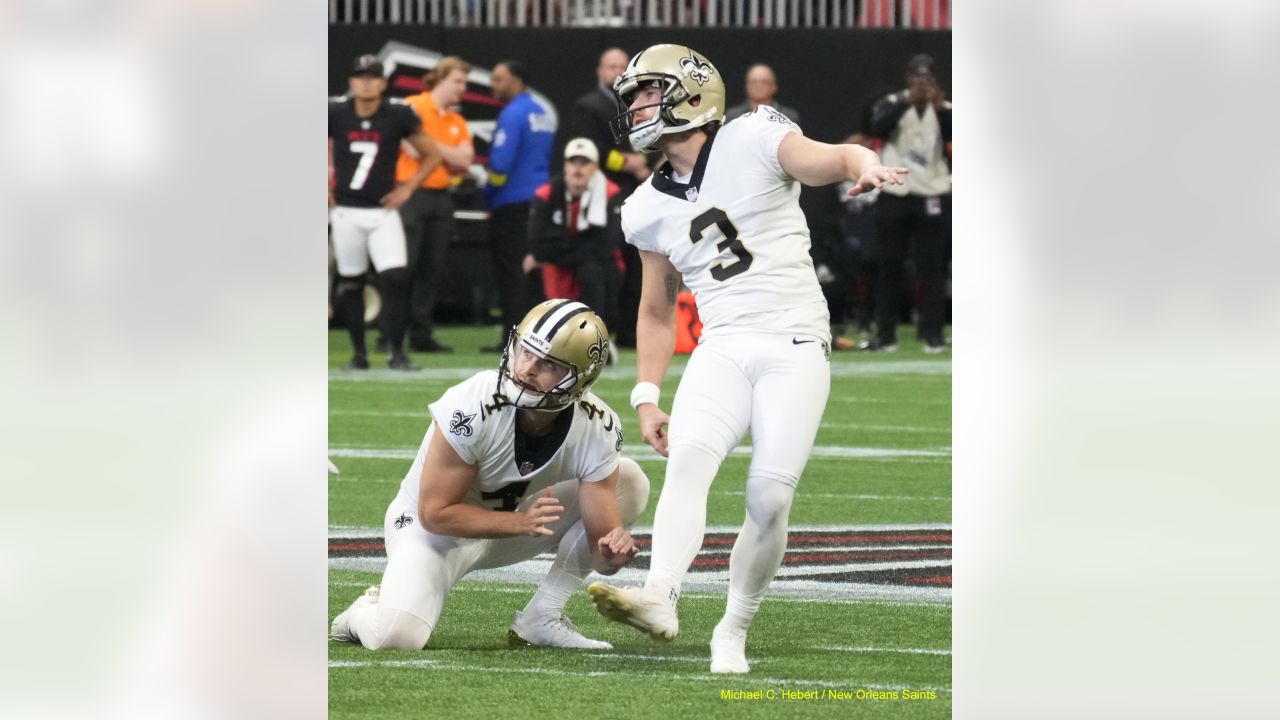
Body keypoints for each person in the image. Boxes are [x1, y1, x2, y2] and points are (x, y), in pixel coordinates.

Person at [583, 44, 906, 674]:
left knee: (768, 498)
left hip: (793, 341)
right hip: (723, 344)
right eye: (633, 97)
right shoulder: (644, 206)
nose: (637, 106)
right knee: (689, 464)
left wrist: (862, 162)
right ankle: (660, 595)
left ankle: (733, 628)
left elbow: (830, 158)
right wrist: (646, 395)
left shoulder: (755, 132)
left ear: (691, 92)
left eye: (648, 92)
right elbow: (654, 309)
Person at [330, 299, 650, 651]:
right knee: (397, 638)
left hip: (514, 525)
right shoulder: (473, 403)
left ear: (580, 378)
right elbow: (434, 512)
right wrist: (519, 523)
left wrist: (613, 555)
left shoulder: (597, 427)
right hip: (433, 532)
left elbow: (600, 551)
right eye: (525, 352)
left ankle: (542, 617)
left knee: (631, 481)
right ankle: (362, 613)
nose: (527, 368)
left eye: (547, 364)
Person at [329, 54, 443, 370]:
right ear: (352, 81)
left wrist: (407, 188)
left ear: (382, 82)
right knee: (352, 282)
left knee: (395, 278)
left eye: (372, 76)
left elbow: (431, 155)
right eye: (360, 75)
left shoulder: (397, 115)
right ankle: (359, 355)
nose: (366, 82)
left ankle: (396, 352)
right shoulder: (336, 113)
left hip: (381, 211)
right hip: (347, 211)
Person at [377, 56, 475, 355]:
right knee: (400, 268)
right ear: (439, 79)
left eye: (464, 83)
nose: (462, 88)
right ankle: (389, 333)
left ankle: (421, 332)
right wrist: (446, 152)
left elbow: (466, 160)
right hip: (411, 193)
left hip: (441, 196)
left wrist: (430, 147)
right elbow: (408, 146)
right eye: (457, 81)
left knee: (431, 269)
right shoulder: (413, 107)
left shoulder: (456, 120)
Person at [567, 48, 652, 349]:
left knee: (640, 262)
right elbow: (590, 151)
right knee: (606, 264)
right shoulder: (588, 106)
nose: (616, 71)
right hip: (604, 194)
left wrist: (648, 165)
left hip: (641, 192)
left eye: (622, 66)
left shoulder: (641, 103)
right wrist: (630, 163)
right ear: (599, 71)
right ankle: (603, 328)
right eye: (611, 66)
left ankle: (631, 330)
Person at [866, 54, 952, 353]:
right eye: (917, 79)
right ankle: (886, 333)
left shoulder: (945, 110)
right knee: (889, 266)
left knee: (932, 268)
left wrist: (939, 108)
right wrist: (906, 103)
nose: (922, 85)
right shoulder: (892, 102)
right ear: (908, 80)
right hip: (896, 192)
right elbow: (877, 128)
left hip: (932, 192)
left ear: (936, 82)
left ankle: (932, 334)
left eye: (927, 80)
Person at [482, 60, 557, 352]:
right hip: (540, 200)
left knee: (511, 272)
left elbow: (500, 165)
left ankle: (512, 339)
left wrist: (490, 193)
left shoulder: (512, 113)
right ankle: (540, 337)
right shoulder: (541, 112)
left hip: (511, 202)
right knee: (535, 271)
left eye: (499, 79)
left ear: (516, 80)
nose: (494, 85)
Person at [527, 138, 625, 346]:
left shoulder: (610, 193)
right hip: (560, 264)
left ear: (595, 167)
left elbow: (607, 245)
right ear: (565, 166)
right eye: (573, 162)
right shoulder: (547, 194)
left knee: (593, 271)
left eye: (584, 163)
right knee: (532, 268)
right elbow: (538, 247)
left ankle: (596, 338)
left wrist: (563, 247)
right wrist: (578, 249)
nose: (578, 169)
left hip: (596, 265)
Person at [724, 63, 802, 127]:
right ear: (746, 86)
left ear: (774, 87)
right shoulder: (733, 116)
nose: (758, 86)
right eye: (754, 82)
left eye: (763, 82)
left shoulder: (787, 116)